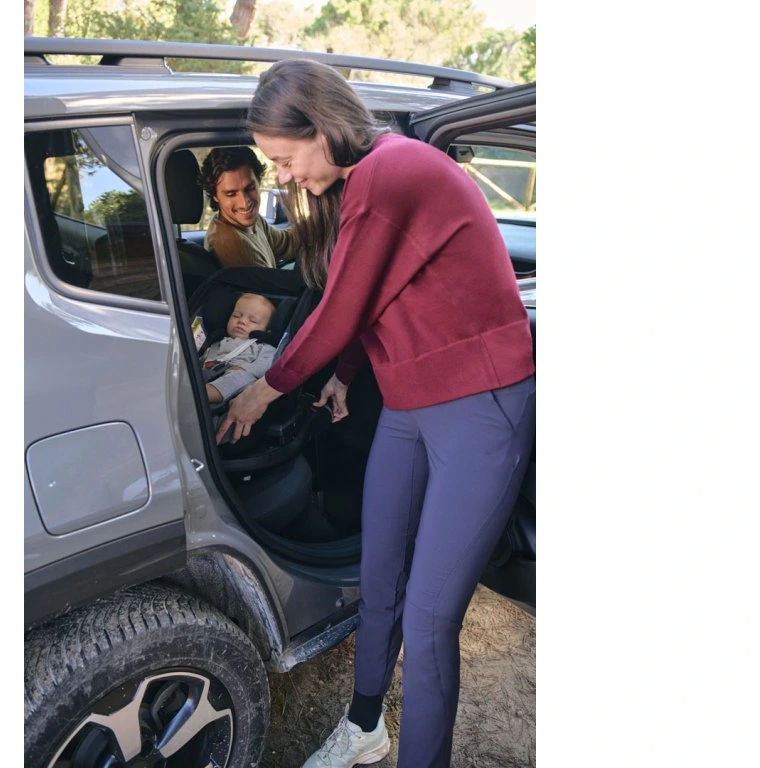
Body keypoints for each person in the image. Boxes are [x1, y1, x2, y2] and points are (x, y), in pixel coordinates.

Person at [216, 59, 536, 768]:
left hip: (480, 405)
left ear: (322, 128)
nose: (285, 177)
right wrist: (347, 375)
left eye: (285, 159)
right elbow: (382, 296)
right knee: (381, 574)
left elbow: (341, 309)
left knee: (429, 618)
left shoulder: (393, 170)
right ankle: (366, 727)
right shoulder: (359, 183)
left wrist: (266, 388)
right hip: (409, 401)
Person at [198, 145, 298, 269]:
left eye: (250, 188)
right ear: (215, 196)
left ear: (258, 182)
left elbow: (287, 243)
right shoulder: (231, 246)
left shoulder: (252, 222)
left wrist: (318, 222)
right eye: (231, 194)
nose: (244, 203)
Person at [201, 292, 277, 404]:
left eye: (253, 321)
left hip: (237, 385)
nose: (242, 321)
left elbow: (268, 364)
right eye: (236, 316)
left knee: (243, 378)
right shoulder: (217, 342)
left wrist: (243, 369)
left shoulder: (262, 347)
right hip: (207, 375)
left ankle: (203, 394)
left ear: (267, 330)